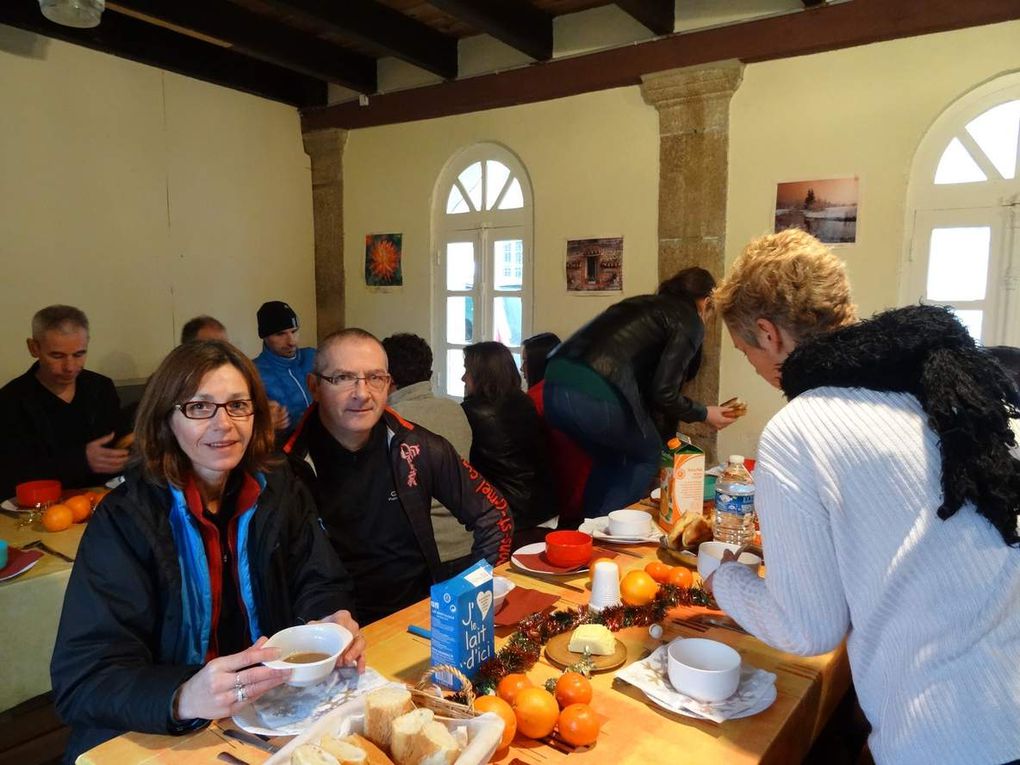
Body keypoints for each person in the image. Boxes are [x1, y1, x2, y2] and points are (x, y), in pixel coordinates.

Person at [706, 229, 1020, 765]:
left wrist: (719, 575)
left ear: (768, 334)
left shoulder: (803, 428)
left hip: (943, 736)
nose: (756, 371)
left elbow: (807, 629)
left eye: (744, 352)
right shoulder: (948, 384)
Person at [49, 340, 363, 762]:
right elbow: (84, 679)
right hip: (158, 730)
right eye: (199, 407)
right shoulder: (126, 520)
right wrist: (182, 696)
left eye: (238, 405)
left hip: (267, 713)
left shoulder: (280, 487)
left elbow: (320, 576)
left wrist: (328, 619)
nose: (224, 425)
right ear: (167, 420)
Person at [285, 329, 513, 624]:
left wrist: (468, 592)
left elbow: (494, 516)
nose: (362, 393)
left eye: (375, 378)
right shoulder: (285, 466)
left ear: (389, 384)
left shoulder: (416, 446)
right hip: (331, 634)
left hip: (416, 617)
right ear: (314, 386)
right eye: (342, 378)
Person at [543, 268, 736, 516]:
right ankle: (605, 538)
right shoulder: (690, 320)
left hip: (554, 384)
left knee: (613, 458)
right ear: (708, 302)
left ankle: (584, 534)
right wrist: (704, 413)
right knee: (646, 455)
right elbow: (664, 391)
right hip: (595, 391)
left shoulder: (641, 303)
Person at [0, 305, 128, 497]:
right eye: (57, 356)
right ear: (34, 347)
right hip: (41, 511)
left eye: (79, 354)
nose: (70, 366)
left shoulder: (100, 388)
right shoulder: (11, 400)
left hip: (103, 503)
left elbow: (119, 442)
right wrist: (79, 461)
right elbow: (9, 477)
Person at [383, 333, 476, 577]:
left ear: (387, 378)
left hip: (422, 551)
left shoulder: (389, 420)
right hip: (466, 540)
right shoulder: (454, 410)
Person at [462, 341, 557, 543]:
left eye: (467, 371)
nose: (463, 378)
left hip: (509, 517)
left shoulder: (471, 412)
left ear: (481, 375)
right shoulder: (524, 401)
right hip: (545, 509)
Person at [521, 332, 592, 529]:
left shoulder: (536, 399)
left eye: (525, 361)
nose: (522, 368)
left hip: (564, 489)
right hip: (592, 485)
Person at [252, 300, 315, 438]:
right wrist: (263, 424)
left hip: (324, 441)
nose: (291, 341)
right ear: (265, 336)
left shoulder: (313, 356)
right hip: (284, 451)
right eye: (280, 334)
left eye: (294, 331)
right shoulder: (253, 373)